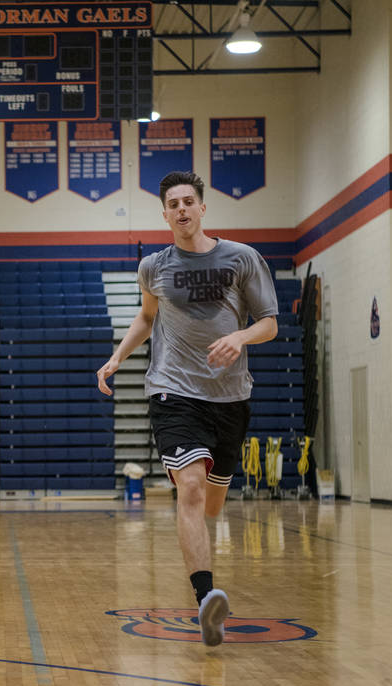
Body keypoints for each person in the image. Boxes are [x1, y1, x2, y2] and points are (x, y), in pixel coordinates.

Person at [96, 171, 279, 647]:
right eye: (172, 203)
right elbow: (146, 315)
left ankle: (204, 584)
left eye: (188, 201)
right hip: (172, 391)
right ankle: (205, 599)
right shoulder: (153, 266)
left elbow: (270, 324)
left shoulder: (242, 258)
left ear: (202, 208)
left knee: (213, 502)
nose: (180, 209)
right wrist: (119, 355)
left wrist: (239, 336)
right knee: (191, 488)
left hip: (230, 397)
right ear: (164, 214)